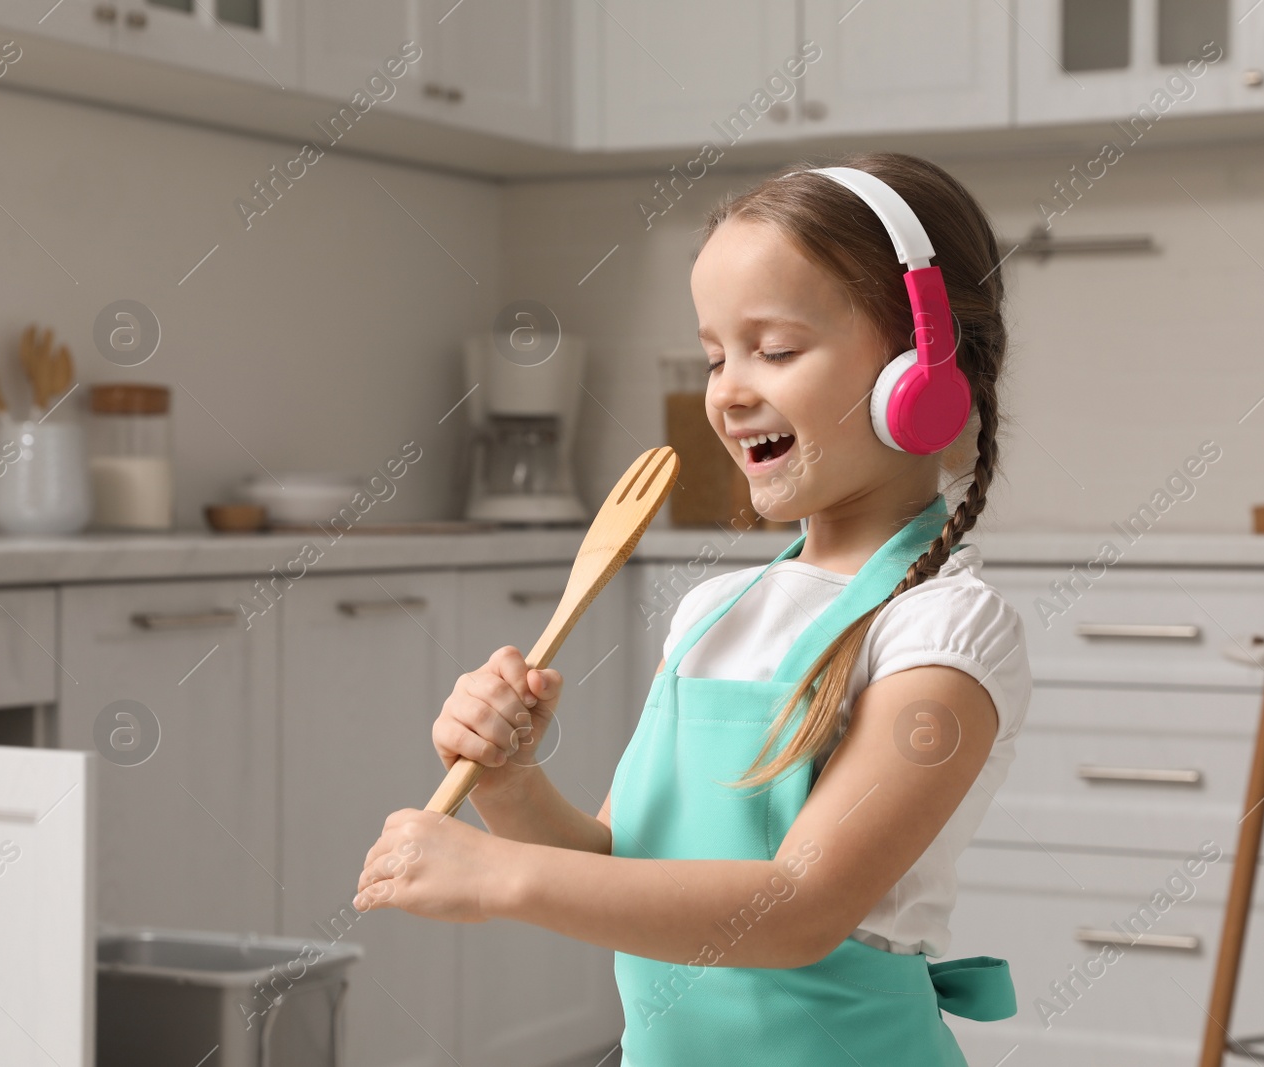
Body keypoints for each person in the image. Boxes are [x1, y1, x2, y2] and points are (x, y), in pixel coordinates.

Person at [357, 151, 1032, 1065]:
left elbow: (798, 908)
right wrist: (512, 784)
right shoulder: (713, 612)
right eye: (717, 355)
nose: (729, 389)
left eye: (777, 350)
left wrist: (501, 875)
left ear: (921, 369)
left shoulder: (946, 632)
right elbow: (616, 877)